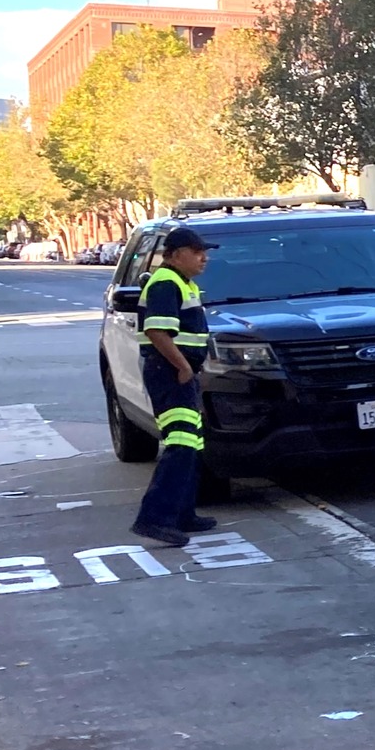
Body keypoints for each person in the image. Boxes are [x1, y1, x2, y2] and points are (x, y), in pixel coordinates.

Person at [130, 227, 219, 548]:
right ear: (175, 254)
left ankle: (183, 514)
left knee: (191, 444)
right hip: (169, 373)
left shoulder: (183, 283)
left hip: (181, 373)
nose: (203, 257)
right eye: (197, 252)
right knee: (180, 445)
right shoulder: (166, 282)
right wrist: (182, 366)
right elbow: (157, 331)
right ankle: (154, 519)